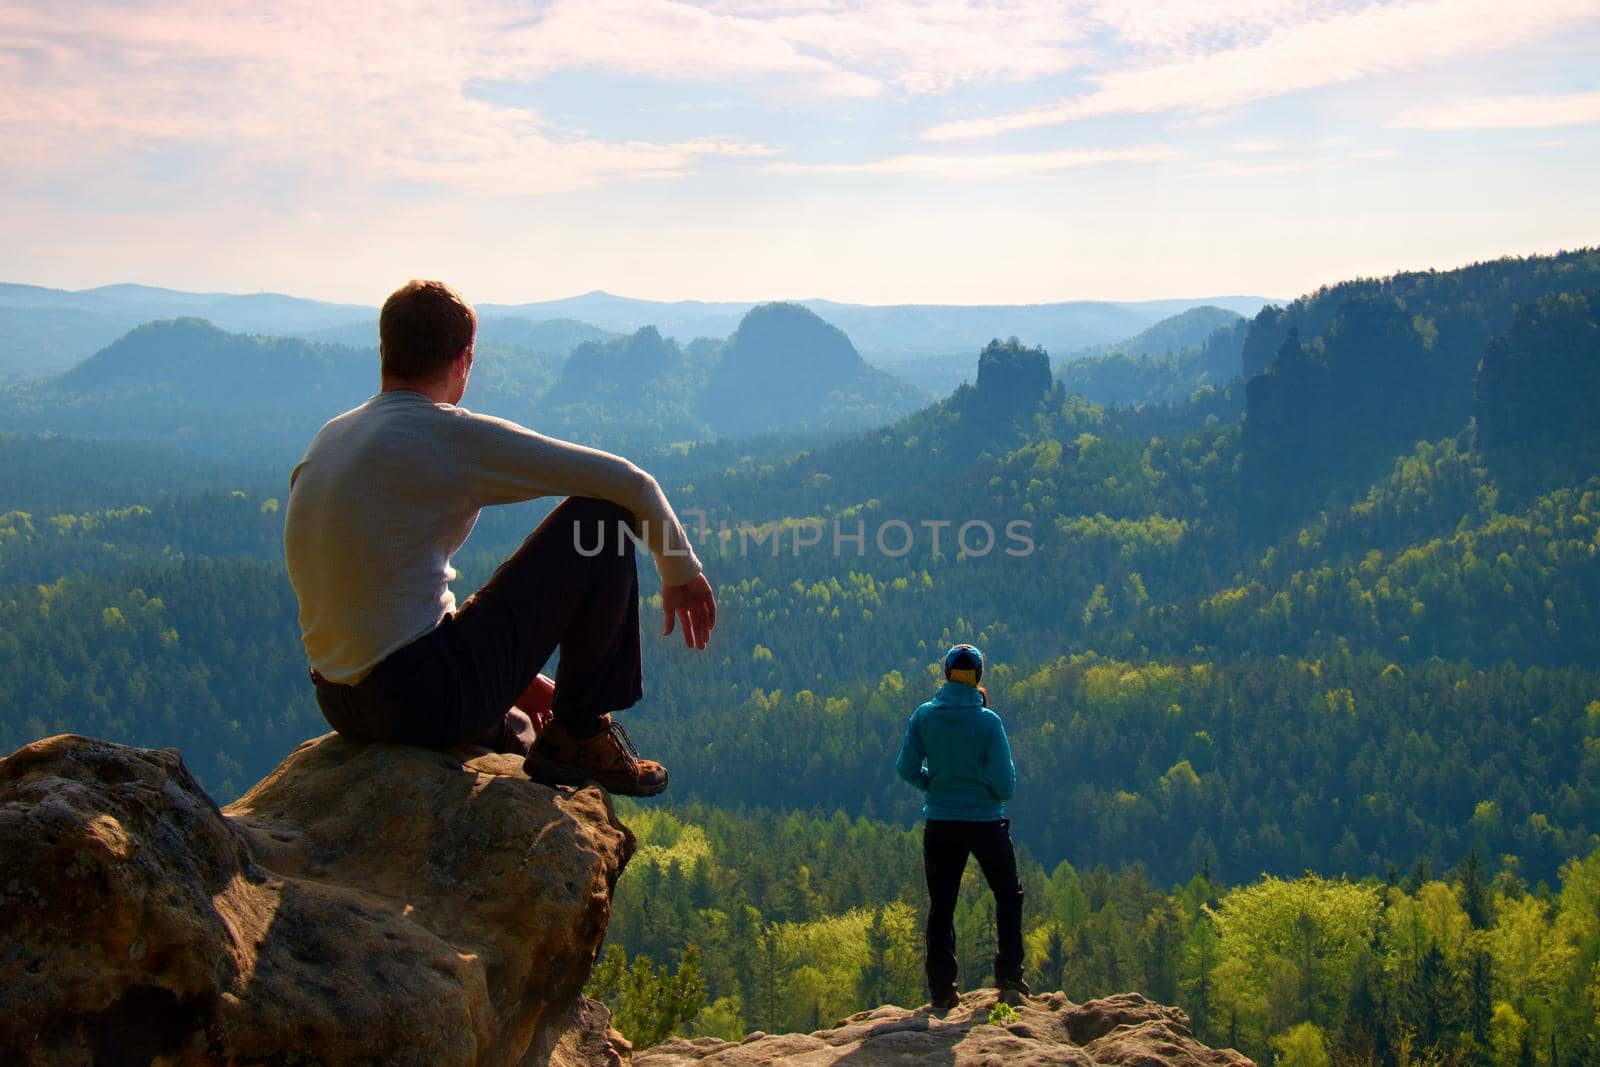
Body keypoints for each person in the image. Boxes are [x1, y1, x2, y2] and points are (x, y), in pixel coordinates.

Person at [284, 279, 716, 796]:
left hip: (340, 702)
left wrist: (520, 678)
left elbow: (374, 596)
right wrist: (680, 571)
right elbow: (631, 484)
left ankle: (544, 734)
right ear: (465, 359)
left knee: (523, 735)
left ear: (383, 351)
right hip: (421, 697)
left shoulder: (330, 437)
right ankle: (580, 732)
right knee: (600, 518)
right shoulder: (444, 435)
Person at [895, 644, 1027, 1012]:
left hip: (940, 822)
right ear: (978, 677)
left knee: (942, 906)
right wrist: (982, 791)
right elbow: (1006, 787)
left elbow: (906, 768)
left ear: (947, 674)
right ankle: (1009, 974)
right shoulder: (989, 722)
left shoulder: (924, 717)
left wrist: (933, 785)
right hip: (986, 822)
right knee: (1007, 894)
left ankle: (942, 990)